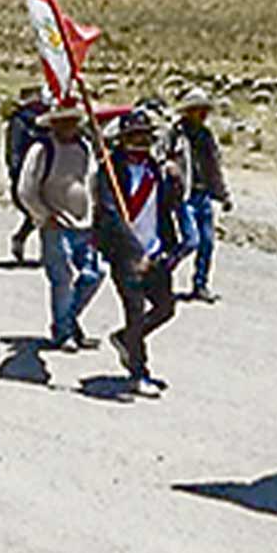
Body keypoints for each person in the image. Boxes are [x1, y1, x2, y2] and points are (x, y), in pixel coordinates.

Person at [93, 110, 179, 393]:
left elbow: (166, 207)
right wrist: (131, 253)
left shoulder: (155, 168)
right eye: (135, 135)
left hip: (153, 249)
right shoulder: (110, 170)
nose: (141, 141)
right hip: (125, 253)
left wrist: (175, 183)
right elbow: (109, 213)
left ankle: (127, 339)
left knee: (165, 307)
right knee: (134, 309)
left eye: (145, 135)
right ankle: (138, 371)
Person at [17, 103, 103, 350]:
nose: (69, 126)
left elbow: (92, 181)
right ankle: (63, 331)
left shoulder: (85, 147)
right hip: (56, 224)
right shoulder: (42, 150)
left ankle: (68, 320)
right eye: (63, 121)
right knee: (62, 278)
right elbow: (26, 189)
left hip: (85, 224)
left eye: (73, 121)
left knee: (94, 274)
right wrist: (43, 215)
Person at [164, 88, 232, 303]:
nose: (203, 114)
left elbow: (215, 166)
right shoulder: (175, 134)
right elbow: (159, 155)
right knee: (190, 240)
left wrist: (223, 194)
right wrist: (169, 166)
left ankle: (200, 285)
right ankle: (162, 272)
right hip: (184, 195)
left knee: (208, 242)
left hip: (203, 195)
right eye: (198, 110)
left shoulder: (206, 136)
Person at [5, 86, 50, 263]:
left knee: (45, 215)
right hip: (26, 177)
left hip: (48, 174)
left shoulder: (47, 122)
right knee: (38, 214)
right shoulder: (19, 122)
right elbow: (14, 151)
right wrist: (17, 174)